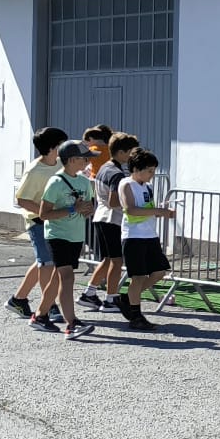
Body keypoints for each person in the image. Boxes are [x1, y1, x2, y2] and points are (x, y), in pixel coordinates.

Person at [37, 141, 99, 340]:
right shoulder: (55, 182)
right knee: (67, 277)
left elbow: (89, 208)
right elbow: (44, 214)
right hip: (57, 235)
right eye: (84, 158)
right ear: (72, 160)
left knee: (58, 277)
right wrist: (73, 209)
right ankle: (71, 324)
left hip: (76, 236)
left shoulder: (84, 182)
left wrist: (87, 209)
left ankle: (40, 315)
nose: (88, 162)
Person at [7, 126, 70, 320]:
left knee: (43, 262)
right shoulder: (35, 170)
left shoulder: (59, 164)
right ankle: (49, 306)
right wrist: (44, 213)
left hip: (53, 220)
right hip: (37, 221)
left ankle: (18, 299)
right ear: (53, 147)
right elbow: (21, 199)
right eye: (62, 144)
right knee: (47, 264)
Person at [117, 147, 175, 331]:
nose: (152, 174)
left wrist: (163, 211)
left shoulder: (147, 187)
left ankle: (128, 297)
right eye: (149, 171)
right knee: (138, 276)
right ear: (136, 169)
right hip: (134, 236)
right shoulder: (126, 184)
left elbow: (147, 209)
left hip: (150, 235)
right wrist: (158, 211)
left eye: (153, 170)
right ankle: (136, 315)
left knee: (159, 272)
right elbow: (131, 209)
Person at [82, 132, 138, 312]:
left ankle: (89, 293)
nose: (132, 156)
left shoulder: (104, 167)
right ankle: (110, 298)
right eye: (130, 152)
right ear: (121, 152)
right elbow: (114, 202)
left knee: (107, 259)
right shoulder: (117, 174)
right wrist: (132, 203)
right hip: (112, 219)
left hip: (101, 216)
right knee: (116, 261)